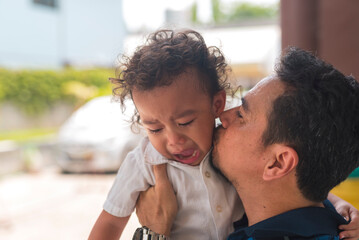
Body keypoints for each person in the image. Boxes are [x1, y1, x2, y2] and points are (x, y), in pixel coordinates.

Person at [134, 47, 359, 240]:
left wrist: (154, 231)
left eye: (242, 115)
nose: (224, 115)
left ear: (278, 163)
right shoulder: (330, 218)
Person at [89, 29, 243, 240]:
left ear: (217, 105)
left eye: (185, 122)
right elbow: (110, 221)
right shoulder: (143, 163)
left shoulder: (235, 145)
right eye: (155, 129)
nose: (173, 140)